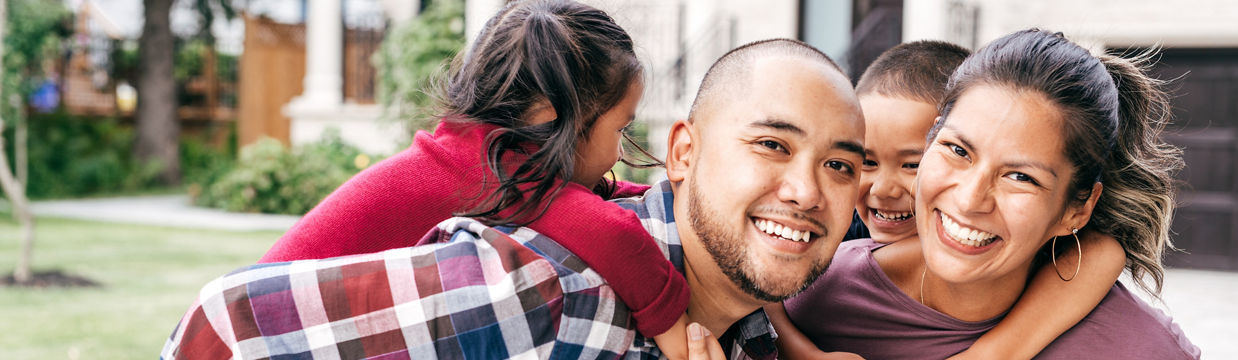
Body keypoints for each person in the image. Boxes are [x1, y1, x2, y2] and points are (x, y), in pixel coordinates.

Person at [159, 38, 865, 359]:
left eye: (840, 165)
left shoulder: (754, 329)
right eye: (772, 144)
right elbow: (228, 323)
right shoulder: (549, 289)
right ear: (685, 153)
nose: (806, 190)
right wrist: (664, 310)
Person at [257, 0, 697, 353]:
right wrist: (675, 329)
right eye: (620, 129)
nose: (620, 150)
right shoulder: (485, 170)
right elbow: (607, 232)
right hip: (263, 332)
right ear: (551, 113)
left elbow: (582, 201)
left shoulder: (478, 157)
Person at [781, 29, 1199, 359]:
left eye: (1020, 176)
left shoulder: (1141, 347)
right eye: (958, 150)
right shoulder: (822, 294)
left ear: (1078, 209)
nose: (968, 200)